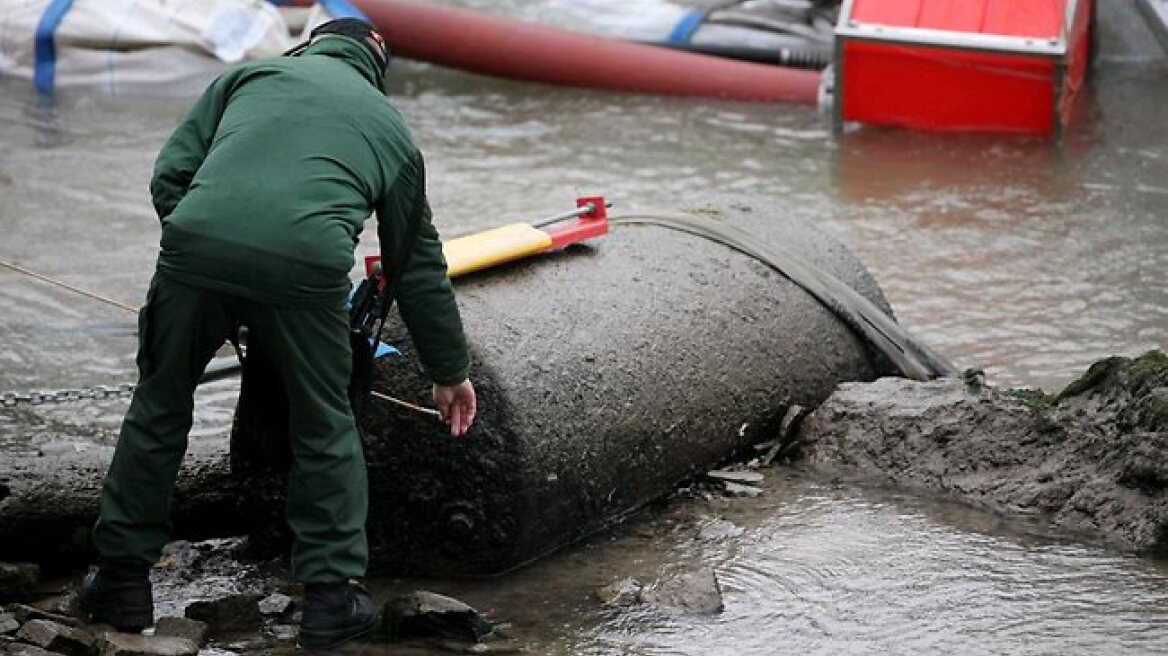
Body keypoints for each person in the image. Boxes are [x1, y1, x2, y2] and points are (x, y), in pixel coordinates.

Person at [79, 18, 476, 650]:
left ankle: (122, 581)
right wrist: (449, 371)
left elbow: (170, 175)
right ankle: (329, 601)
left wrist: (211, 259)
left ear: (310, 45)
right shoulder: (392, 130)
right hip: (307, 269)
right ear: (376, 68)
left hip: (195, 247)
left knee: (160, 400)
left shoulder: (249, 74)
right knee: (323, 421)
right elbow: (415, 262)